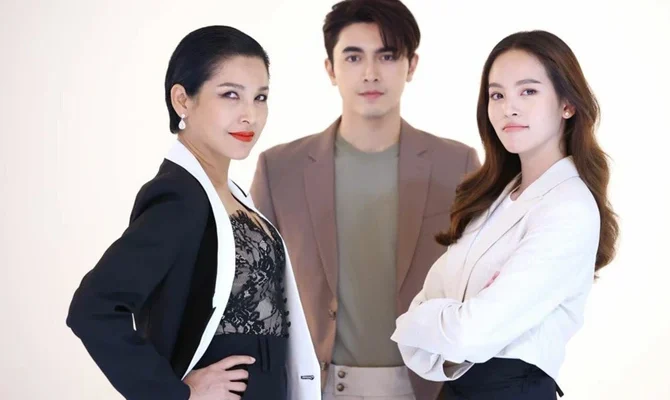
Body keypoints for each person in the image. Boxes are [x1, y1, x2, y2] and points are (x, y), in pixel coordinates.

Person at [65, 25, 320, 400]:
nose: (250, 115)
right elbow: (93, 308)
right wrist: (176, 393)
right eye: (230, 95)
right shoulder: (180, 197)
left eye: (260, 97)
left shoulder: (230, 195)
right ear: (182, 100)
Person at [250, 1, 480, 399]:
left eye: (387, 56)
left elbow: (478, 287)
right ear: (330, 69)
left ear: (411, 65)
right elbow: (257, 295)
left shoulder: (457, 164)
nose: (370, 73)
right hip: (318, 387)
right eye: (353, 57)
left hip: (428, 387)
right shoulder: (279, 169)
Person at [391, 30, 620, 399]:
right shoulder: (494, 197)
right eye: (497, 95)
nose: (508, 108)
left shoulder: (569, 208)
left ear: (567, 104)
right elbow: (428, 309)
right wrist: (448, 324)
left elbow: (469, 333)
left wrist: (430, 323)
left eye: (528, 91)